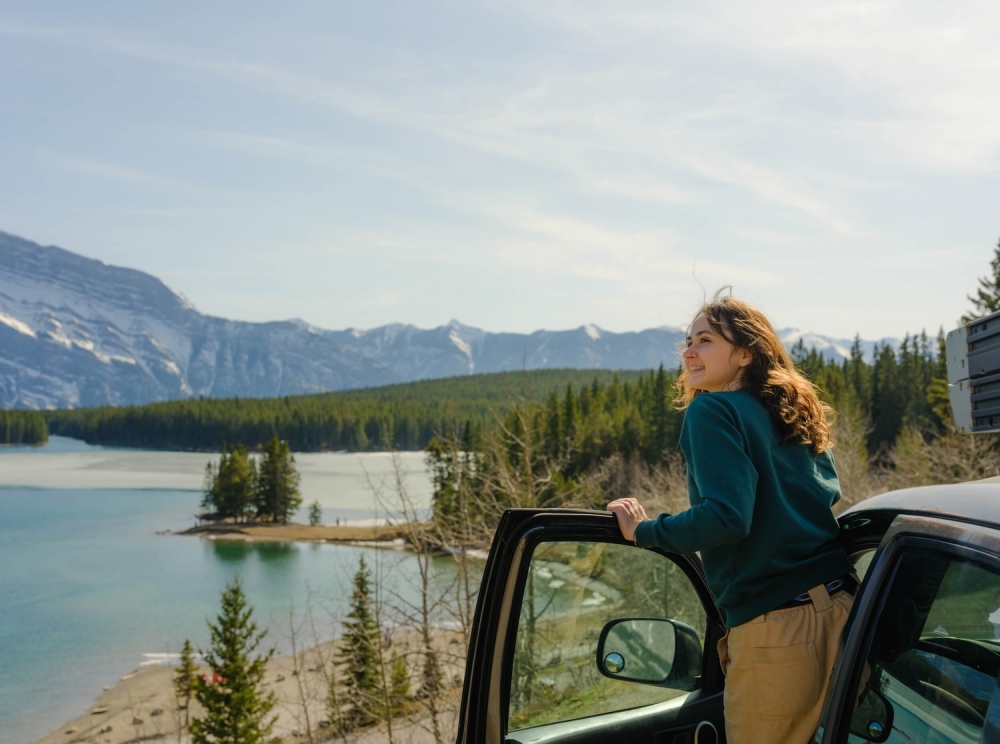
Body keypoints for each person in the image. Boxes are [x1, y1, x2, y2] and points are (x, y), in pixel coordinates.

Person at [608, 290, 856, 744]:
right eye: (687, 341)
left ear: (745, 353)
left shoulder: (711, 409)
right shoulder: (791, 411)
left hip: (777, 629)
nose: (688, 351)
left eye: (704, 340)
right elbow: (828, 492)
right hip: (845, 611)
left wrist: (645, 531)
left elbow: (726, 519)